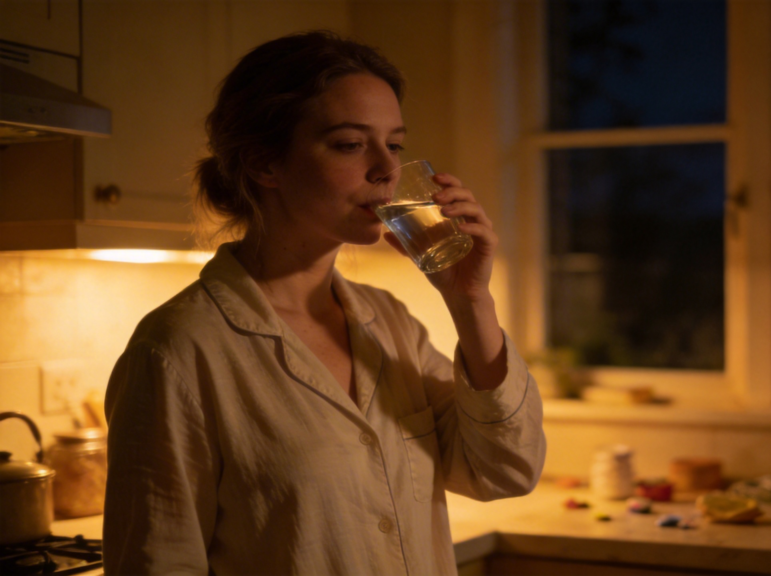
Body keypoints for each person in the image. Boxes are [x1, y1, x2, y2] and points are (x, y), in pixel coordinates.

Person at [102, 30, 545, 575]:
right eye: (350, 144)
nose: (386, 168)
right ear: (266, 163)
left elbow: (504, 471)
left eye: (396, 144)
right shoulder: (176, 352)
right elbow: (157, 562)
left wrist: (470, 300)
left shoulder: (390, 322)